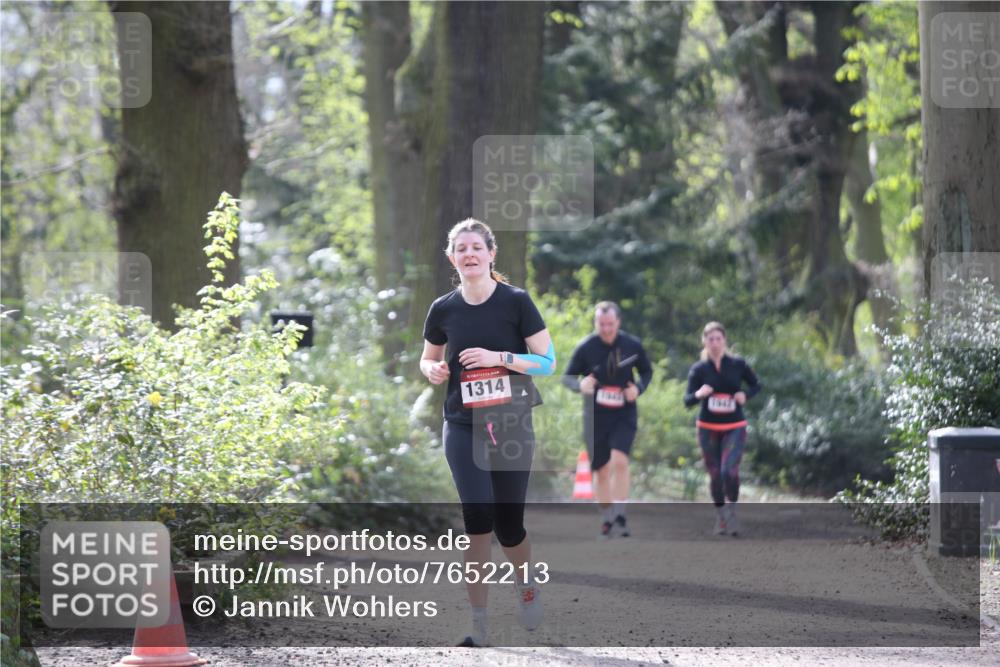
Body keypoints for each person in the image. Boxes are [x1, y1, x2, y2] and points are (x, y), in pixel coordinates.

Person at [420, 218, 556, 647]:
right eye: (461, 249)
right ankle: (479, 624)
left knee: (509, 526)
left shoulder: (516, 302)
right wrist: (433, 369)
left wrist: (500, 357)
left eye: (477, 247)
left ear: (491, 253)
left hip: (511, 423)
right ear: (451, 258)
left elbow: (548, 362)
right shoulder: (443, 309)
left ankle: (525, 584)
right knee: (477, 519)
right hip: (463, 424)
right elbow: (427, 358)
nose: (470, 254)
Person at [563, 302, 653, 539]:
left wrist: (638, 388)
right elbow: (568, 377)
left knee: (620, 461)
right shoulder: (586, 347)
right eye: (601, 324)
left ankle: (621, 515)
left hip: (624, 412)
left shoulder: (632, 345)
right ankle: (607, 518)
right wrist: (580, 385)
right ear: (596, 323)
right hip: (595, 417)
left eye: (610, 324)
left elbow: (647, 371)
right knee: (601, 470)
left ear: (618, 322)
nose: (606, 329)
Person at [683, 322, 761, 536]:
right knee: (715, 474)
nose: (715, 343)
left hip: (734, 426)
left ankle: (732, 512)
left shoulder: (738, 364)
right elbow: (687, 400)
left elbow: (756, 385)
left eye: (718, 339)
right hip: (707, 427)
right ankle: (721, 516)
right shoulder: (699, 369)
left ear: (724, 340)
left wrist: (745, 395)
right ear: (704, 342)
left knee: (729, 471)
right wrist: (699, 394)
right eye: (711, 339)